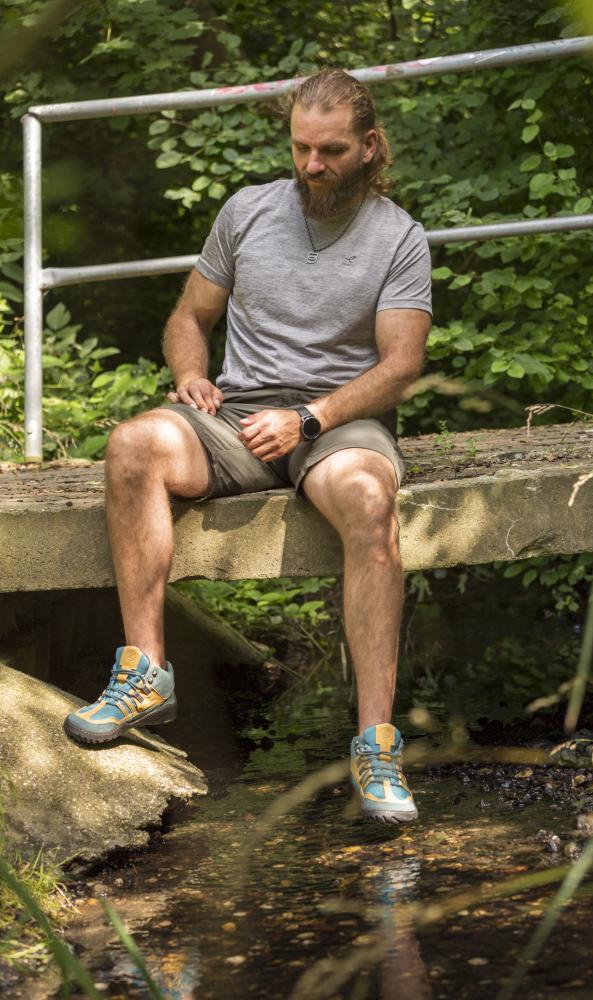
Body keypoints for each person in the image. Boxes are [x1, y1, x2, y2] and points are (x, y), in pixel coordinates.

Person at [64, 68, 432, 824]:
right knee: (133, 445)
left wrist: (311, 419)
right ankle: (145, 674)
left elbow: (399, 367)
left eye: (329, 150)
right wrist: (192, 375)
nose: (310, 165)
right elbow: (188, 316)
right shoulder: (248, 211)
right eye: (300, 147)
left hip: (338, 424)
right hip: (236, 417)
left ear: (368, 146)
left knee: (368, 502)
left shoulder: (399, 236)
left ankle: (375, 745)